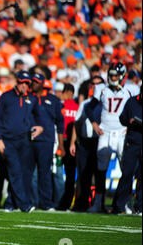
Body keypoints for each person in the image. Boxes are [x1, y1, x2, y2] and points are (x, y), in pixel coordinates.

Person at [85, 62, 133, 213]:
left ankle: (123, 203)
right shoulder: (101, 89)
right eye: (111, 75)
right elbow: (89, 107)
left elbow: (135, 110)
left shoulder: (130, 90)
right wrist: (94, 123)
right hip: (104, 133)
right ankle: (98, 203)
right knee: (100, 171)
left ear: (122, 76)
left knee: (126, 171)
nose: (113, 78)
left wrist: (130, 127)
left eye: (116, 75)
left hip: (121, 134)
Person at [0, 71, 44, 213]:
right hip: (8, 140)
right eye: (22, 82)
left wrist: (40, 127)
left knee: (23, 173)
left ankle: (10, 203)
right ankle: (24, 204)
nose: (24, 85)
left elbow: (39, 116)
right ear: (17, 82)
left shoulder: (32, 99)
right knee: (15, 172)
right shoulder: (6, 97)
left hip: (25, 140)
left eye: (27, 83)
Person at [28, 73, 65, 211]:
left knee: (45, 173)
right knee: (31, 173)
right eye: (33, 81)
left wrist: (61, 145)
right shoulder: (28, 98)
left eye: (37, 82)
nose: (34, 84)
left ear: (43, 83)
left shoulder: (53, 100)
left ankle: (46, 203)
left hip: (47, 141)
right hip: (30, 140)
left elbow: (60, 123)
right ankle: (32, 202)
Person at [69, 76, 104, 212]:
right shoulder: (85, 104)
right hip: (84, 142)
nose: (94, 87)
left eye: (98, 84)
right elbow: (77, 123)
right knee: (83, 174)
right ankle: (81, 203)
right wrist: (73, 142)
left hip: (98, 141)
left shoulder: (105, 104)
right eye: (92, 84)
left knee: (99, 174)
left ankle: (98, 204)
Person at [112, 86, 142, 215]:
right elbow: (122, 118)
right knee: (126, 174)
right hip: (132, 142)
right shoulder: (131, 102)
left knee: (141, 177)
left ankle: (139, 207)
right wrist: (129, 121)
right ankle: (119, 206)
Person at [56, 84, 79, 210]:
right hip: (73, 143)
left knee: (57, 172)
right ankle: (67, 202)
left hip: (61, 141)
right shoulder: (78, 107)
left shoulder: (61, 106)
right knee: (70, 175)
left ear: (66, 92)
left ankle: (59, 201)